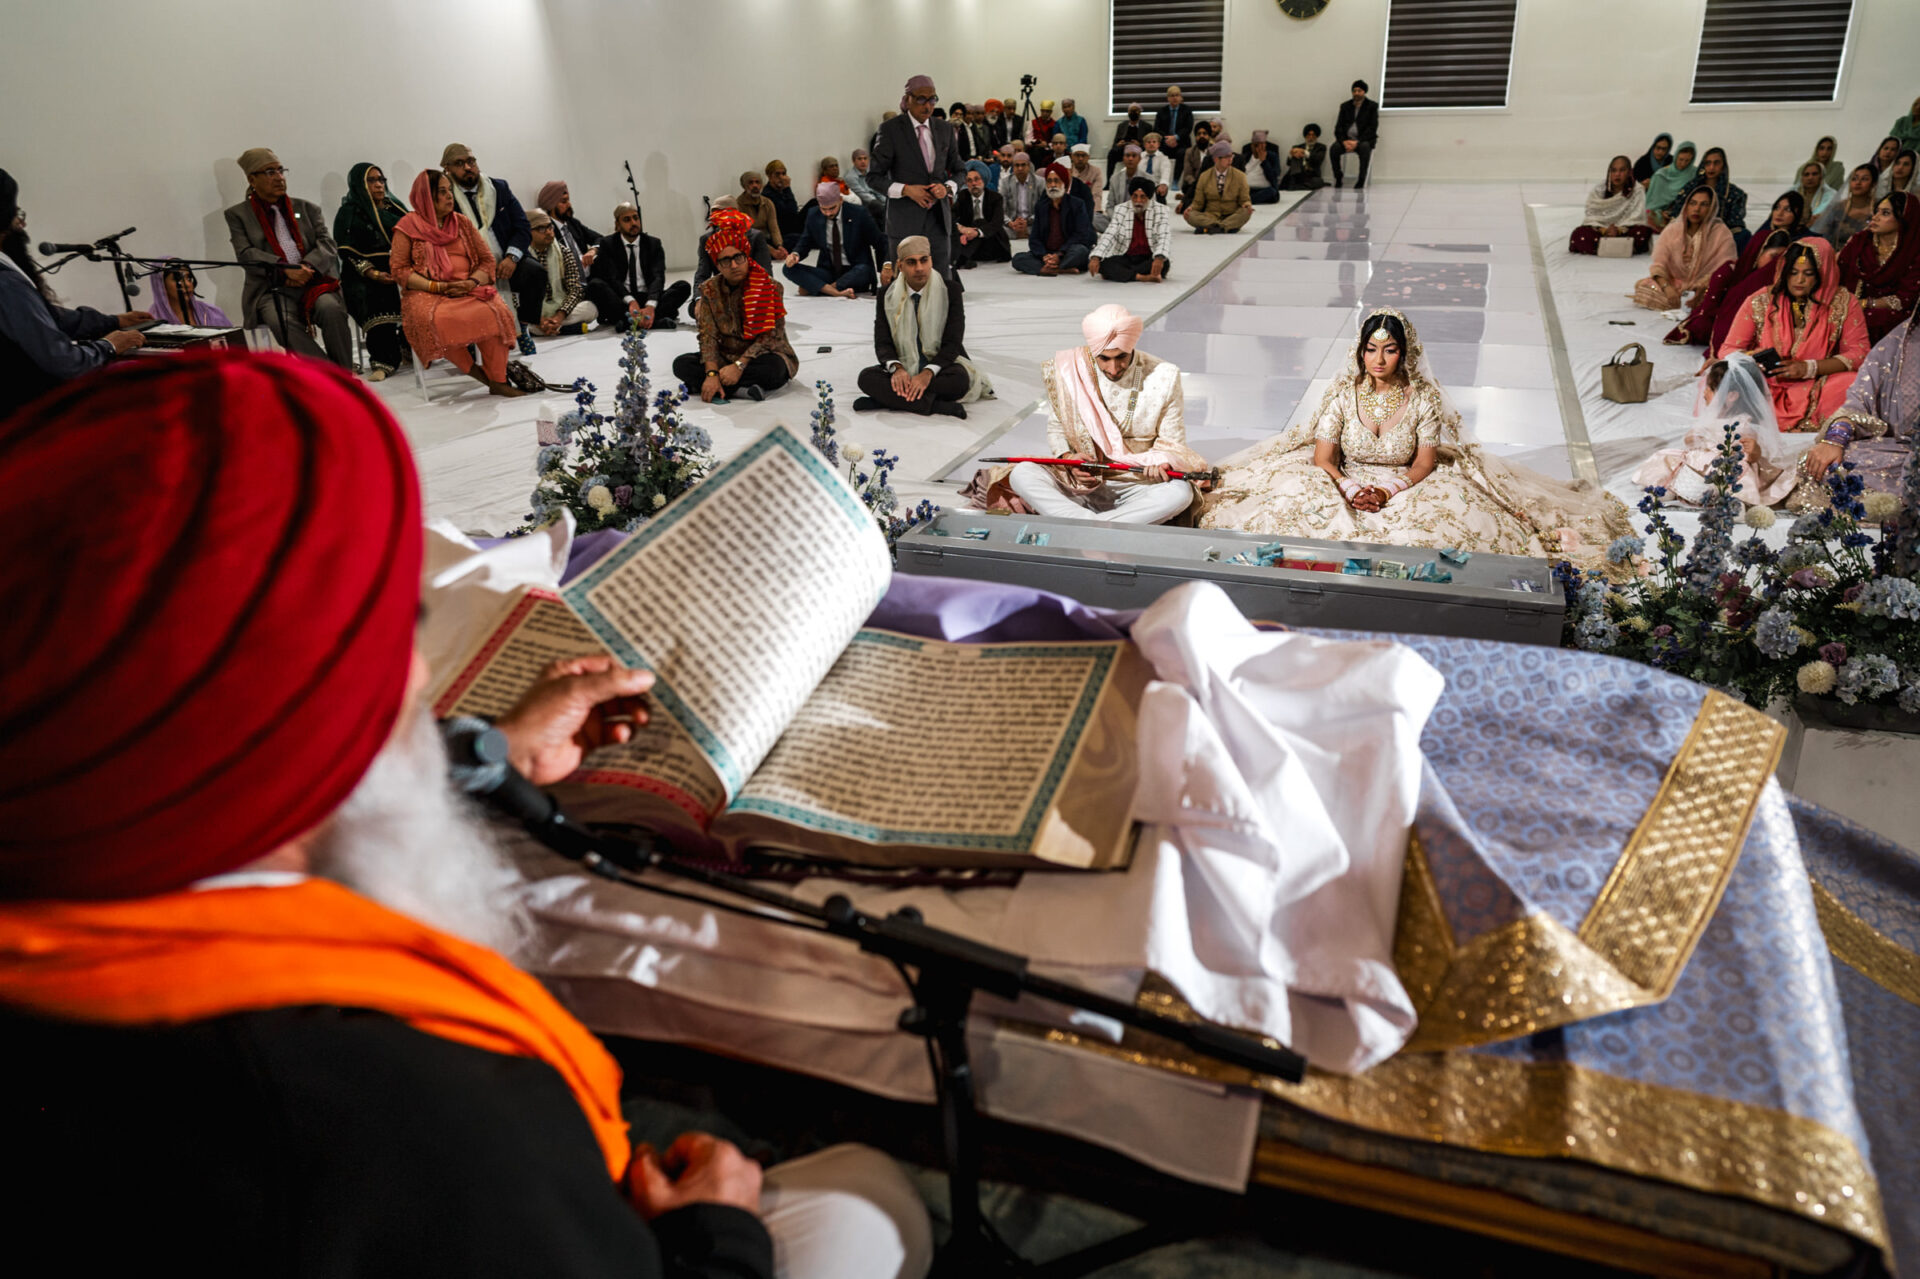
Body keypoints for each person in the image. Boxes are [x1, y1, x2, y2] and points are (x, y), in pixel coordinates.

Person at [0, 350, 935, 1279]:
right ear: (288, 725)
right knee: (867, 1203)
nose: (414, 681)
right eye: (399, 631)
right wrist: (719, 1236)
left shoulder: (63, 833)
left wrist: (494, 748)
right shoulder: (421, 1127)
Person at [1199, 308, 1632, 572]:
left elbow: (1424, 463)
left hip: (1406, 480)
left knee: (1449, 531)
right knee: (1287, 514)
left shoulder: (1423, 397)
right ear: (1359, 351)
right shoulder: (1343, 393)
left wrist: (1388, 488)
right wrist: (1348, 487)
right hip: (1343, 476)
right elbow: (1322, 457)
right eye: (1371, 349)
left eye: (1389, 350)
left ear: (1405, 353)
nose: (1379, 359)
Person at [998, 304, 1205, 524]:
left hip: (1139, 484)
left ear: (1132, 346)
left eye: (1121, 357)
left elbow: (1172, 442)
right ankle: (1111, 525)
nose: (1113, 368)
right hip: (1080, 485)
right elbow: (1057, 428)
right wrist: (1068, 458)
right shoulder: (1072, 369)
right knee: (1022, 473)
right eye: (1104, 358)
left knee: (1180, 493)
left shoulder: (1164, 375)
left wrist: (1161, 462)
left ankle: (1080, 523)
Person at [0, 171, 145, 418]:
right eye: (16, 212)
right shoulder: (6, 283)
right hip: (27, 419)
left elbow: (46, 317)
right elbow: (64, 362)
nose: (22, 223)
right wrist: (109, 346)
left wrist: (113, 321)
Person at [392, 169, 521, 396]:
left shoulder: (461, 223)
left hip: (467, 289)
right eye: (442, 192)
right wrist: (437, 287)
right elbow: (400, 270)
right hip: (428, 294)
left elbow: (486, 261)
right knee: (439, 320)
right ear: (426, 197)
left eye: (449, 190)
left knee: (496, 311)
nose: (449, 196)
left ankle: (499, 379)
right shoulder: (407, 226)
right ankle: (479, 374)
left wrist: (471, 283)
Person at [1721, 238, 1869, 432]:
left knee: (1857, 383)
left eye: (1808, 274)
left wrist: (1809, 368)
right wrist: (1755, 358)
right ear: (1784, 272)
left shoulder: (1844, 302)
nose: (1799, 280)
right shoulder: (1760, 301)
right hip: (1766, 384)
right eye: (1793, 273)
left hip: (1819, 383)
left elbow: (1860, 353)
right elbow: (1728, 350)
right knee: (1722, 377)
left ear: (1822, 274)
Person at [223, 147, 352, 368]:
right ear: (252, 179)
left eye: (281, 170)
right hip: (271, 288)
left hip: (313, 281)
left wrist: (306, 267)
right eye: (270, 172)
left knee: (331, 310)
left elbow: (327, 244)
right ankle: (330, 376)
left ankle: (344, 374)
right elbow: (245, 253)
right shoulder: (238, 215)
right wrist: (284, 269)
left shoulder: (307, 208)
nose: (279, 178)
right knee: (280, 320)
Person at [1632, 353, 1804, 507]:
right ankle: (1669, 487)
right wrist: (1694, 438)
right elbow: (1691, 439)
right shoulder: (1711, 417)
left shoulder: (1743, 421)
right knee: (1668, 459)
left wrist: (1754, 452)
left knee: (1729, 475)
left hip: (1725, 463)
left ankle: (1730, 500)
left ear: (1731, 396)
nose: (1704, 392)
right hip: (1701, 459)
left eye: (1711, 389)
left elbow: (1752, 452)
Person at [853, 235, 989, 418]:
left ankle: (885, 400)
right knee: (866, 378)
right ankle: (938, 406)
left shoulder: (950, 291)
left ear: (931, 260)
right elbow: (882, 342)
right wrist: (898, 369)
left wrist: (927, 373)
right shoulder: (887, 295)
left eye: (924, 260)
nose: (919, 268)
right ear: (900, 266)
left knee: (959, 381)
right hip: (904, 364)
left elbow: (953, 343)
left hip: (939, 367)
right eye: (911, 262)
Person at [673, 210, 796, 404]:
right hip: (725, 356)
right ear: (718, 265)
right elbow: (708, 335)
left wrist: (739, 366)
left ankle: (715, 386)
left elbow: (770, 336)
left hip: (761, 356)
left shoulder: (770, 287)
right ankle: (739, 389)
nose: (734, 265)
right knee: (681, 364)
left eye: (738, 258)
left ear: (746, 256)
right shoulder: (709, 290)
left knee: (775, 370)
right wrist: (712, 372)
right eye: (725, 260)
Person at [1816, 289, 1920, 498]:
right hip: (1899, 453)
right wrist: (1836, 439)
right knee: (1823, 465)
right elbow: (1859, 400)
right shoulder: (1900, 340)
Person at [1661, 195, 1800, 350]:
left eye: (1787, 209)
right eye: (1777, 208)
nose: (1779, 213)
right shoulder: (1675, 230)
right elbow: (1661, 261)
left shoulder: (1722, 233)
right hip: (1688, 279)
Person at [870, 74, 964, 278]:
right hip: (904, 218)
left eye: (932, 99)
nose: (927, 105)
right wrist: (906, 190)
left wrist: (946, 188)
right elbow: (874, 177)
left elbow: (959, 170)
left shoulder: (945, 129)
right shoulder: (891, 130)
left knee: (940, 281)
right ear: (907, 99)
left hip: (938, 219)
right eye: (921, 99)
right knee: (905, 284)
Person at [333, 161, 409, 379]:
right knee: (376, 294)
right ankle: (383, 361)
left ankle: (408, 346)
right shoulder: (349, 212)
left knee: (419, 289)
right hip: (364, 272)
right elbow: (347, 252)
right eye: (371, 180)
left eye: (381, 179)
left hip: (400, 265)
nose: (379, 185)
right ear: (358, 184)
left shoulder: (395, 207)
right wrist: (372, 272)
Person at [441, 144, 532, 304]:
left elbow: (522, 226)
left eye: (471, 161)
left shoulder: (499, 188)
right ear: (447, 169)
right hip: (470, 263)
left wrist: (512, 257)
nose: (468, 167)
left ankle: (525, 324)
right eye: (460, 164)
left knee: (534, 272)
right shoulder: (445, 197)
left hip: (505, 256)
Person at [585, 202, 688, 333]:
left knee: (683, 287)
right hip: (622, 299)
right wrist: (630, 301)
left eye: (635, 218)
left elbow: (658, 277)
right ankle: (654, 321)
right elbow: (612, 279)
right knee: (595, 285)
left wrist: (650, 305)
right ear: (617, 224)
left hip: (646, 296)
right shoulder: (608, 244)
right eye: (627, 220)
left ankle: (629, 322)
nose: (633, 223)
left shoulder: (653, 243)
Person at [1633, 187, 1736, 312]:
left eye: (1704, 205)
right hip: (1675, 283)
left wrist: (1702, 285)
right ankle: (1681, 300)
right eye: (1693, 203)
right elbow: (1659, 264)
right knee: (1644, 286)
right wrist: (1667, 287)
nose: (1696, 209)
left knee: (1723, 293)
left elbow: (1727, 266)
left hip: (1705, 286)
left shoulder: (1721, 232)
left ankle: (1691, 301)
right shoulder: (1673, 230)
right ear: (1686, 206)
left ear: (1712, 209)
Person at [1838, 191, 1920, 344]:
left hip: (1899, 315)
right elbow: (1840, 277)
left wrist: (1865, 304)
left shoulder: (1914, 250)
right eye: (1876, 211)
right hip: (1851, 305)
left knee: (1885, 319)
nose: (1875, 217)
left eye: (1885, 213)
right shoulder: (1860, 242)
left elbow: (1906, 298)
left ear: (1904, 219)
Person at [783, 182, 884, 298]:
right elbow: (805, 241)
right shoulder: (813, 214)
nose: (828, 213)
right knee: (788, 268)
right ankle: (835, 291)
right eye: (823, 209)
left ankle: (821, 288)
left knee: (865, 269)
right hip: (828, 271)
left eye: (832, 208)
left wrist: (885, 268)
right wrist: (795, 254)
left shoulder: (859, 214)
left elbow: (879, 242)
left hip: (856, 270)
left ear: (840, 200)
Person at [517, 209, 596, 336]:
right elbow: (515, 296)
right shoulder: (520, 257)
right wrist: (538, 319)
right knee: (513, 316)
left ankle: (548, 328)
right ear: (528, 231)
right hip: (533, 313)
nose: (548, 232)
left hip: (561, 309)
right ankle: (561, 329)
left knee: (591, 309)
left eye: (550, 227)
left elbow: (575, 289)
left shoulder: (563, 252)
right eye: (541, 229)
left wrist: (559, 317)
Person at [1012, 163, 1094, 276]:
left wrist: (1059, 255)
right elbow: (1035, 237)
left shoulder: (1077, 204)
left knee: (1080, 251)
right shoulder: (1041, 206)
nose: (1053, 185)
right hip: (1047, 253)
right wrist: (1044, 256)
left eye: (1056, 181)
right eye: (1049, 181)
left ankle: (1047, 268)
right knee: (1018, 258)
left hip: (1066, 252)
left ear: (1064, 183)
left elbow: (1081, 234)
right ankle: (1061, 269)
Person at [1090, 177, 1172, 284]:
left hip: (1149, 257)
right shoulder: (1121, 209)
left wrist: (1159, 258)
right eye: (1135, 196)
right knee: (1103, 264)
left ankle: (1125, 275)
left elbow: (1164, 235)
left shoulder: (1161, 210)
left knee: (1164, 264)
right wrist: (1096, 257)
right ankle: (1141, 277)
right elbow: (1110, 234)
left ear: (1149, 198)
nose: (1138, 201)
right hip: (1127, 257)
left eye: (1143, 197)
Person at [1663, 147, 1749, 245]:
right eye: (1708, 163)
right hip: (1692, 233)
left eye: (1716, 163)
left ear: (1723, 166)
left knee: (1743, 235)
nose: (1711, 167)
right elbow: (1678, 213)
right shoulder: (1691, 188)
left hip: (1720, 237)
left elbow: (1735, 223)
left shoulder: (1735, 194)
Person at [1567, 156, 1650, 255]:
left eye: (1622, 170)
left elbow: (1637, 217)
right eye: (1614, 170)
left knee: (1643, 232)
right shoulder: (1599, 190)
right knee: (1579, 234)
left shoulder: (1637, 190)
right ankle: (1621, 248)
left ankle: (1603, 247)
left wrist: (1618, 231)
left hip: (1625, 231)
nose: (1617, 174)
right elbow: (1592, 216)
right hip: (1601, 231)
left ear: (1629, 172)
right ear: (1609, 172)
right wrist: (1604, 231)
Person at [1183, 142, 1253, 235]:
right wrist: (1191, 208)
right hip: (1211, 216)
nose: (1230, 160)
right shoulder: (1204, 176)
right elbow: (1198, 202)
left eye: (1231, 156)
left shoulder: (1240, 176)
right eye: (1227, 157)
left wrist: (1247, 205)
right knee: (1191, 215)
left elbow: (1244, 199)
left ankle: (1212, 227)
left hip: (1231, 215)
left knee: (1245, 212)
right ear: (1216, 159)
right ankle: (1224, 227)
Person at [536, 181, 602, 272]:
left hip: (590, 276)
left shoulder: (573, 223)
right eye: (564, 201)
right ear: (551, 206)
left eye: (568, 200)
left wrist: (593, 250)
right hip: (569, 281)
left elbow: (599, 238)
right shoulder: (547, 230)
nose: (569, 204)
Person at [954, 163, 1010, 268]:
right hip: (971, 244)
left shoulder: (995, 197)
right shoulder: (963, 196)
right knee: (954, 229)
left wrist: (976, 232)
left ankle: (962, 258)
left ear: (984, 180)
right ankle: (964, 257)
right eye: (969, 181)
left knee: (980, 222)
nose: (974, 183)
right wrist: (962, 229)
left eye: (977, 179)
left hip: (993, 244)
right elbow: (951, 217)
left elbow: (997, 223)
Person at [145, 259, 231, 327]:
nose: (187, 284)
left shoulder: (212, 314)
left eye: (189, 278)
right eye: (178, 279)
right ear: (161, 285)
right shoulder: (151, 321)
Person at [1812, 165, 1880, 250]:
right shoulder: (1838, 207)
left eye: (1864, 179)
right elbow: (1824, 238)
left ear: (1873, 184)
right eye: (1854, 179)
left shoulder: (1878, 209)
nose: (1858, 182)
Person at [1332, 80, 1379, 190]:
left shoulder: (1372, 106)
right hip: (1346, 140)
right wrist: (1344, 141)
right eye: (1354, 91)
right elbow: (1338, 127)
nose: (1356, 93)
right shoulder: (1345, 106)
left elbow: (1372, 128)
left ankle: (1361, 179)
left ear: (1364, 92)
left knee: (1364, 147)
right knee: (1334, 149)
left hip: (1363, 140)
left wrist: (1357, 142)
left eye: (1359, 90)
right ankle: (1338, 177)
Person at [1644, 140, 1697, 229]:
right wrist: (1661, 212)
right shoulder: (1661, 175)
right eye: (1680, 160)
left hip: (1686, 213)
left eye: (1687, 160)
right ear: (1675, 157)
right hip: (1662, 214)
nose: (1683, 164)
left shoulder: (1694, 173)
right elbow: (1651, 204)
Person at [999, 151, 1046, 242]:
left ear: (1028, 166)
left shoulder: (1040, 182)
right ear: (1013, 167)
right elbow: (1000, 209)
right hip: (1012, 227)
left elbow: (1043, 208)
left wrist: (1027, 222)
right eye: (1017, 165)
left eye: (1023, 165)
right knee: (997, 230)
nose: (1020, 168)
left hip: (1033, 225)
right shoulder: (1005, 182)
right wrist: (1010, 223)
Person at [736, 171, 786, 253]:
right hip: (751, 241)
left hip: (767, 239)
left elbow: (774, 228)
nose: (755, 186)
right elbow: (745, 235)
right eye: (751, 183)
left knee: (794, 239)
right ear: (744, 186)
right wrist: (771, 251)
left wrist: (779, 246)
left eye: (757, 182)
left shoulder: (768, 203)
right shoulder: (738, 205)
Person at [1154, 86, 1196, 179]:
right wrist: (1167, 139)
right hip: (1165, 142)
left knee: (1182, 153)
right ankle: (1161, 179)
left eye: (1177, 95)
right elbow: (1156, 129)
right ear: (1168, 98)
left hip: (1181, 141)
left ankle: (1176, 180)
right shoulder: (1161, 111)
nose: (1175, 98)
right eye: (1172, 96)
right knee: (1157, 153)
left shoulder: (1187, 111)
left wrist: (1175, 137)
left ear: (1181, 97)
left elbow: (1188, 128)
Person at [1176, 123, 1216, 209]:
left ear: (1209, 136)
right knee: (1186, 188)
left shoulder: (1214, 151)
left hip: (1211, 184)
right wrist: (1197, 185)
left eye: (1204, 133)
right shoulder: (1189, 152)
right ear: (1195, 137)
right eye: (1198, 134)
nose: (1201, 136)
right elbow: (1188, 175)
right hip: (1194, 184)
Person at [761, 160, 803, 241]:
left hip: (791, 225)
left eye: (783, 174)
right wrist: (787, 188)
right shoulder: (768, 193)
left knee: (814, 204)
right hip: (782, 229)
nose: (781, 177)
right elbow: (790, 213)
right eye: (777, 174)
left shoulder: (782, 191)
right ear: (770, 176)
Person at [1238, 131, 1281, 204]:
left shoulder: (1272, 157)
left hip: (1264, 189)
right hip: (1248, 189)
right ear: (1252, 145)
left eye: (1263, 144)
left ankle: (1245, 200)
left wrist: (1264, 162)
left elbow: (1274, 176)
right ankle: (1246, 200)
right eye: (1257, 145)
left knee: (1271, 192)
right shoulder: (1246, 157)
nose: (1260, 147)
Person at [1281, 124, 1328, 191]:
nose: (1311, 137)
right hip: (1298, 173)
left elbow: (1318, 161)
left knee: (1318, 181)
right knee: (1296, 155)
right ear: (1305, 136)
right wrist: (1291, 154)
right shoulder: (1296, 147)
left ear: (1316, 136)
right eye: (1309, 135)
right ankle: (1297, 182)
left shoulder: (1321, 147)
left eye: (1313, 135)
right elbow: (1288, 163)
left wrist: (1304, 152)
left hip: (1311, 175)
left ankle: (1296, 185)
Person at [1107, 103, 1150, 177]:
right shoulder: (1122, 125)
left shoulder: (1147, 126)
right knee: (1112, 153)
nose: (1133, 113)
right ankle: (1109, 181)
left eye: (1135, 111)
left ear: (1140, 112)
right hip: (1123, 149)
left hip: (1138, 150)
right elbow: (1115, 143)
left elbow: (1149, 143)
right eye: (1131, 111)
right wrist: (1119, 144)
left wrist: (1139, 144)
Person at [846, 150, 888, 219]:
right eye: (859, 159)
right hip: (865, 206)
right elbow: (863, 195)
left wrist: (886, 203)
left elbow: (877, 191)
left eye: (865, 158)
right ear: (853, 161)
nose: (863, 161)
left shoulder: (870, 174)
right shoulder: (850, 177)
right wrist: (881, 205)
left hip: (876, 204)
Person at [1069, 143, 1105, 222]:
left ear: (1089, 157)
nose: (1080, 158)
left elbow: (1096, 195)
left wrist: (1094, 212)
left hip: (1089, 209)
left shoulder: (1095, 171)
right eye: (1077, 155)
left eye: (1083, 155)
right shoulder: (1067, 170)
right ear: (1071, 156)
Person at [1141, 133, 1176, 202]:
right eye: (1148, 142)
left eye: (1154, 142)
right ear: (1144, 145)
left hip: (1156, 185)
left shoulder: (1163, 158)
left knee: (1160, 193)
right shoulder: (1139, 156)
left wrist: (1163, 184)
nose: (1151, 144)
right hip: (1140, 185)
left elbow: (1165, 173)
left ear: (1158, 144)